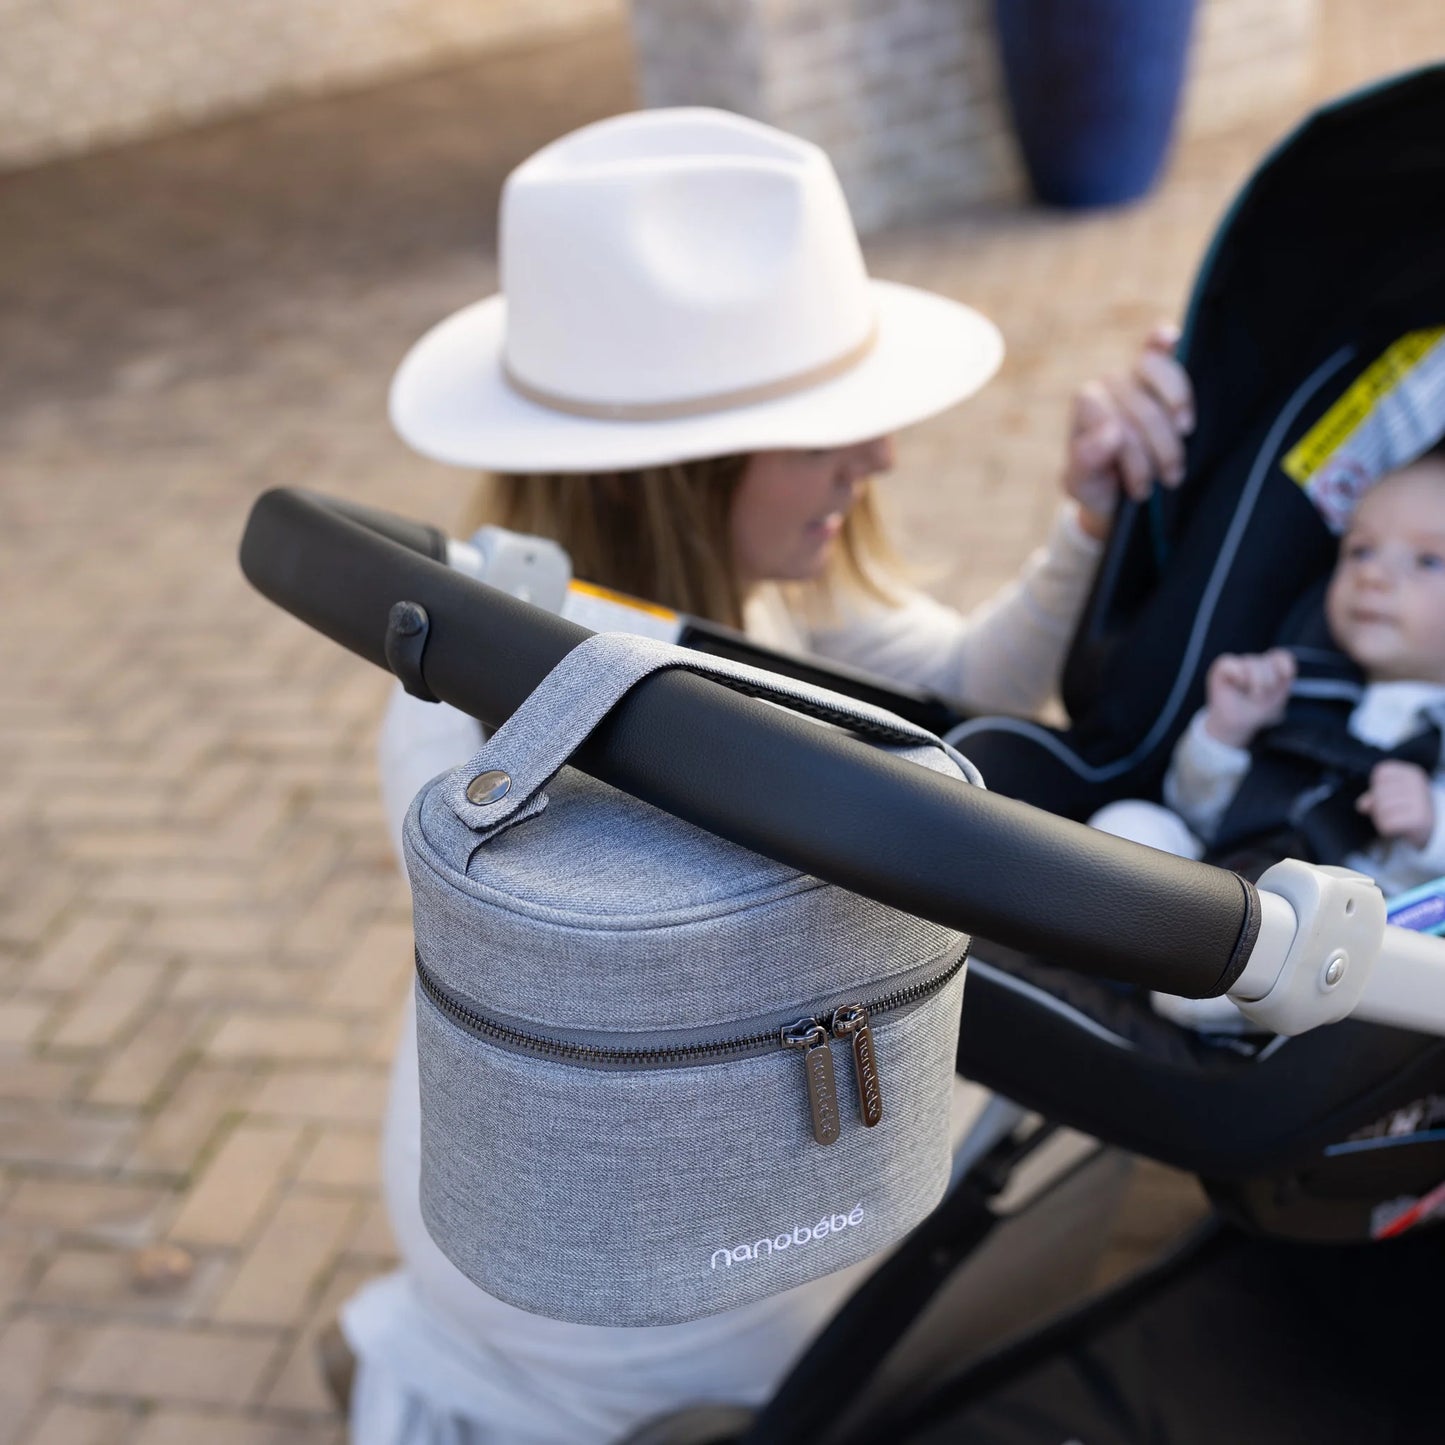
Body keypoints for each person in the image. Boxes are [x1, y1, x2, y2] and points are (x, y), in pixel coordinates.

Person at [342, 107, 1195, 1445]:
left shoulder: (604, 616)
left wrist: (1091, 520)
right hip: (630, 1263)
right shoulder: (515, 725)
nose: (884, 458)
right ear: (677, 471)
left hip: (496, 1176)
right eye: (824, 433)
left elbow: (957, 676)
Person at [1091, 449, 1445, 895]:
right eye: (1359, 550)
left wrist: (1432, 828)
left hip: (1364, 939)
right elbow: (1202, 813)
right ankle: (1110, 952)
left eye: (1429, 561)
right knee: (1130, 825)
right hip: (1225, 903)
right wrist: (1224, 736)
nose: (1372, 575)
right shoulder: (1303, 689)